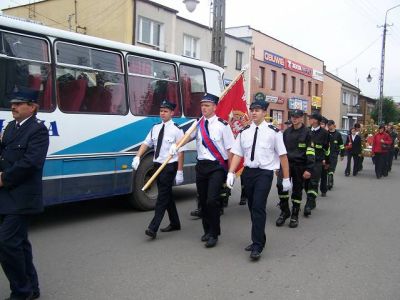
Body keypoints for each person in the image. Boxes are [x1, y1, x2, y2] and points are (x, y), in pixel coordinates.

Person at [226, 100, 291, 260]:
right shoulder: (244, 131)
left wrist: (286, 178)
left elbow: (283, 156)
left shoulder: (274, 132)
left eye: (258, 110)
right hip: (248, 173)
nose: (254, 112)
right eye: (252, 110)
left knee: (258, 206)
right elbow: (238, 153)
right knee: (251, 206)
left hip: (265, 173)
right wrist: (231, 172)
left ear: (264, 112)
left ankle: (257, 245)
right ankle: (259, 238)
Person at [0, 90, 49, 300]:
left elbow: (31, 162)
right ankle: (32, 287)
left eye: (19, 103)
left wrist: (4, 178)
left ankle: (21, 291)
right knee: (19, 243)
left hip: (23, 197)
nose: (14, 107)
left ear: (32, 106)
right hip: (6, 196)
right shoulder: (11, 127)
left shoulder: (38, 130)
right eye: (13, 103)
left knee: (7, 242)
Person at [170, 93, 235, 248]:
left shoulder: (222, 125)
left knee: (212, 200)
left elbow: (230, 149)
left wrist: (231, 172)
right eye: (202, 105)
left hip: (217, 167)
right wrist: (176, 145)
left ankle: (214, 233)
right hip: (201, 167)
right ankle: (207, 230)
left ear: (214, 107)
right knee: (203, 201)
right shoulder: (197, 124)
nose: (204, 108)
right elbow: (187, 137)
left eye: (207, 105)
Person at [132, 100, 185, 239]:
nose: (163, 113)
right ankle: (175, 223)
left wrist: (180, 171)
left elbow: (181, 152)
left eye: (166, 111)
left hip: (169, 166)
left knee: (162, 197)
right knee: (166, 194)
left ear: (172, 113)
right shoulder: (155, 128)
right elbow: (146, 143)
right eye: (161, 110)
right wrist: (137, 157)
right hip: (157, 165)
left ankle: (153, 228)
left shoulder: (177, 130)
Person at [276, 109, 314, 228]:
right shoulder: (286, 132)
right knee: (280, 185)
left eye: (297, 117)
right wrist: (278, 166)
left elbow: (311, 151)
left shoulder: (307, 133)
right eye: (293, 116)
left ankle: (295, 214)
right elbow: (280, 151)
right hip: (286, 165)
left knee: (297, 189)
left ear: (302, 118)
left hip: (300, 166)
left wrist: (309, 169)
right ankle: (285, 211)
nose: (294, 118)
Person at [305, 112, 330, 217]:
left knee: (314, 183)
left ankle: (309, 204)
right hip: (305, 162)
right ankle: (312, 200)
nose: (309, 119)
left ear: (316, 120)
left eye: (311, 118)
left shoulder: (324, 133)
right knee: (305, 184)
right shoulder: (306, 131)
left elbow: (327, 149)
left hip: (317, 162)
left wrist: (327, 161)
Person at [323, 120, 345, 190]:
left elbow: (341, 145)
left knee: (331, 169)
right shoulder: (325, 133)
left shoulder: (338, 134)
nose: (329, 126)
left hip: (334, 155)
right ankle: (329, 182)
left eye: (330, 125)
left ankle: (330, 183)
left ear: (333, 125)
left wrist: (342, 154)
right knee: (326, 170)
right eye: (328, 125)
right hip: (326, 155)